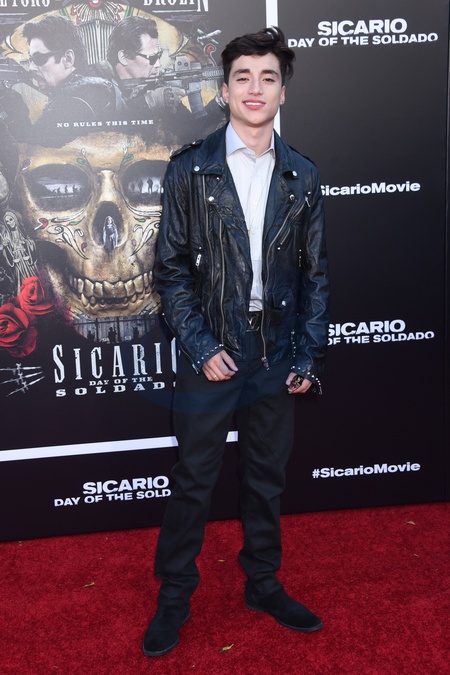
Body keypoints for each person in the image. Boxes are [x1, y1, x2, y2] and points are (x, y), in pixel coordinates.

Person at [144, 27, 329, 657]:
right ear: (223, 90)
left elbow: (315, 275)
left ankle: (263, 583)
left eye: (268, 77)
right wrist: (201, 346)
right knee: (195, 477)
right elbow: (170, 271)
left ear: (282, 92)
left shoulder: (303, 174)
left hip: (275, 350)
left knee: (266, 477)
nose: (255, 88)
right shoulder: (189, 169)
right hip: (212, 348)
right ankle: (175, 595)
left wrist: (307, 354)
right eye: (243, 77)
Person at [100, 16, 226, 140]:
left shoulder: (157, 90)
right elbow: (102, 123)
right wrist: (150, 102)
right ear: (123, 57)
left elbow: (195, 132)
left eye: (158, 56)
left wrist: (218, 103)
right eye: (152, 58)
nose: (158, 64)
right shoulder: (96, 81)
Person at [22, 15, 125, 145]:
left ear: (68, 59)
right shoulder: (90, 89)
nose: (31, 68)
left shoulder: (78, 98)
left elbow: (39, 148)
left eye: (38, 59)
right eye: (31, 59)